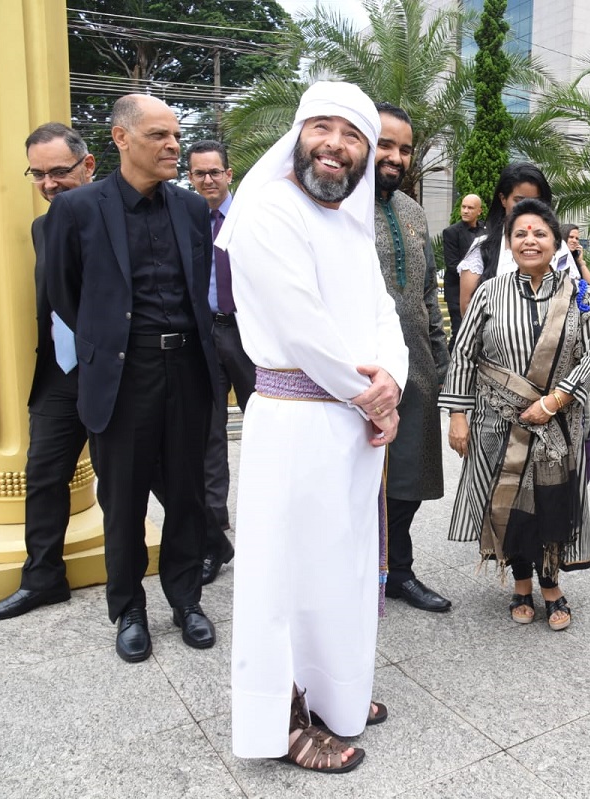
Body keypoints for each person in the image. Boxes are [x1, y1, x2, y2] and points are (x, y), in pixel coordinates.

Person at [219, 81, 408, 772]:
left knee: (342, 569)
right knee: (287, 576)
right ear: (298, 135)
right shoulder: (270, 209)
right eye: (322, 127)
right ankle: (285, 720)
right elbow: (304, 329)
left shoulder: (350, 225)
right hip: (297, 423)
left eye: (353, 133)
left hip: (352, 428)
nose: (335, 143)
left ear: (366, 152)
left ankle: (338, 694)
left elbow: (385, 317)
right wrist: (376, 397)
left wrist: (394, 377)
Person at [46, 95, 220, 663]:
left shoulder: (192, 211)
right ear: (121, 139)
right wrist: (111, 345)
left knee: (190, 497)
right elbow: (64, 292)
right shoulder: (78, 211)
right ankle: (129, 609)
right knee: (122, 502)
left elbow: (199, 295)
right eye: (157, 135)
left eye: (175, 134)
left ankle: (186, 599)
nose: (173, 145)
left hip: (187, 370)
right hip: (123, 375)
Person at [441, 199, 590, 631]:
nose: (530, 241)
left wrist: (555, 400)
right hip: (498, 422)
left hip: (557, 424)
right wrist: (458, 415)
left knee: (550, 504)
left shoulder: (579, 294)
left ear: (555, 242)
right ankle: (522, 584)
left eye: (540, 233)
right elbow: (463, 355)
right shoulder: (490, 292)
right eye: (520, 234)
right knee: (508, 503)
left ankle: (552, 585)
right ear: (510, 244)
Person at [0, 124, 96, 622]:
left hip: (116, 372)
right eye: (39, 174)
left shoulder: (118, 217)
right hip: (59, 372)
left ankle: (206, 547)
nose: (50, 183)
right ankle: (43, 578)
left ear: (88, 165)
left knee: (151, 472)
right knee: (43, 473)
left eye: (59, 171)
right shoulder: (42, 227)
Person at [372, 103, 452, 613]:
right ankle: (364, 573)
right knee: (364, 483)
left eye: (404, 148)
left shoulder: (413, 211)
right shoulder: (335, 207)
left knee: (409, 481)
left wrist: (439, 356)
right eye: (385, 144)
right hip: (365, 376)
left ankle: (398, 571)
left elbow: (426, 292)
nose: (396, 157)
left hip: (417, 368)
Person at [186, 140, 253, 585]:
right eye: (198, 173)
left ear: (229, 175)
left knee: (271, 423)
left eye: (215, 172)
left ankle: (275, 528)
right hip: (203, 334)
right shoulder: (185, 221)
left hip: (249, 334)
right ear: (189, 177)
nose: (207, 180)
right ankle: (215, 539)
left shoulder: (251, 219)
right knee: (208, 435)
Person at [456, 162, 576, 315]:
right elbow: (467, 309)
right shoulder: (483, 248)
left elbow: (574, 297)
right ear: (503, 199)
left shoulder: (559, 249)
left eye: (537, 201)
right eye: (519, 201)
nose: (528, 208)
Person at [441, 193, 484, 346]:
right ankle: (452, 367)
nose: (465, 210)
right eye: (463, 207)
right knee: (460, 333)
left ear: (479, 211)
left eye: (470, 208)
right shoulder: (451, 232)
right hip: (456, 292)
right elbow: (452, 265)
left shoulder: (486, 231)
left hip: (481, 291)